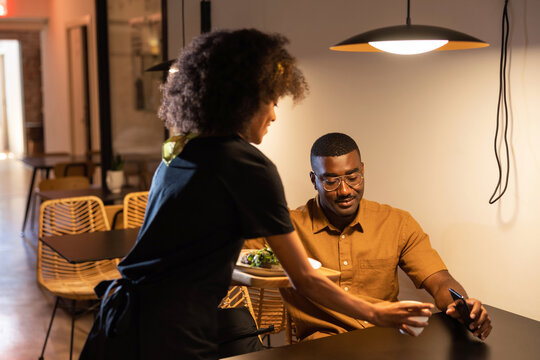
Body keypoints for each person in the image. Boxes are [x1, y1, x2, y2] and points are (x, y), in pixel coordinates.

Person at [80, 30, 433, 360]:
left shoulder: (180, 151)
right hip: (172, 331)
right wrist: (376, 311)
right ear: (243, 100)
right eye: (270, 100)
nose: (275, 115)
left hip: (120, 321)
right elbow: (304, 278)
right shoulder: (247, 165)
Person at [266, 132, 492, 341]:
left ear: (362, 171)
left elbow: (440, 280)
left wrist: (463, 306)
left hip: (386, 343)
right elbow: (235, 259)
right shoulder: (285, 227)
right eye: (331, 181)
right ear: (314, 180)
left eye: (353, 177)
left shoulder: (396, 222)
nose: (345, 190)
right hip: (322, 347)